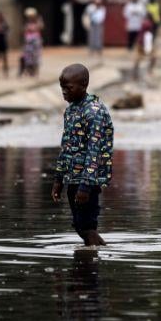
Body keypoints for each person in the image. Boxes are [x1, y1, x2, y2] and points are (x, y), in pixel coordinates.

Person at [51, 63, 114, 247]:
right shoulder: (71, 110)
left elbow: (95, 151)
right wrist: (58, 180)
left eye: (68, 88)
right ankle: (93, 255)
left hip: (88, 180)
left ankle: (92, 263)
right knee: (80, 225)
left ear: (84, 84)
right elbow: (66, 147)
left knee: (86, 226)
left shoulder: (94, 112)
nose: (64, 92)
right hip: (72, 177)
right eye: (62, 88)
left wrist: (86, 186)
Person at [20, 7, 44, 78]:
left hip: (36, 42)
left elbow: (41, 27)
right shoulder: (27, 23)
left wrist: (39, 20)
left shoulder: (37, 22)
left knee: (36, 57)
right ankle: (30, 72)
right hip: (28, 43)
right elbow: (24, 31)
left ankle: (36, 72)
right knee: (28, 58)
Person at [133, 14, 157, 80]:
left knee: (138, 57)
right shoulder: (148, 24)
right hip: (145, 42)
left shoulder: (143, 22)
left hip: (140, 42)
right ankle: (150, 70)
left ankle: (135, 71)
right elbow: (148, 34)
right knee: (153, 57)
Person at [0, 11, 10, 78]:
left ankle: (6, 73)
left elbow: (7, 31)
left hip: (3, 41)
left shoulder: (5, 24)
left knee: (5, 58)